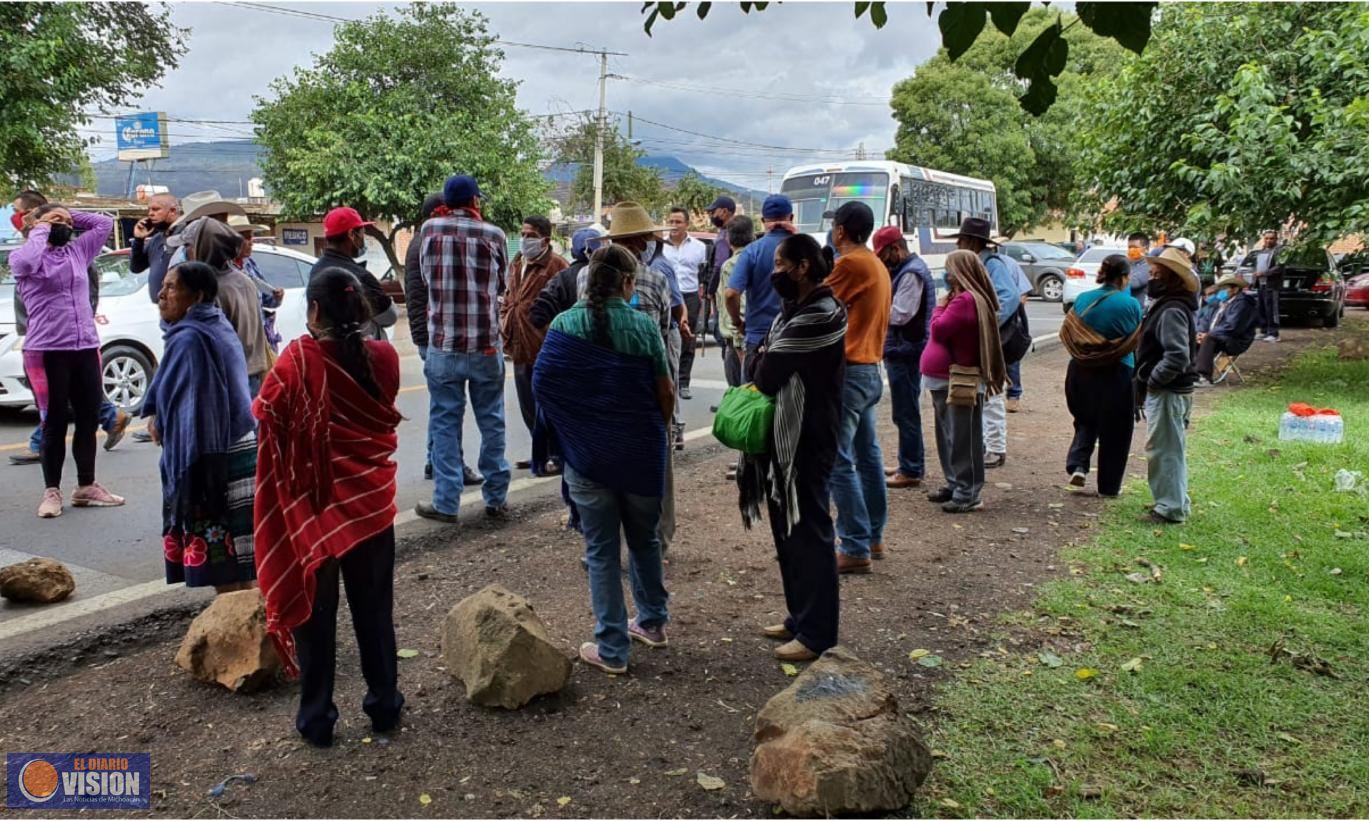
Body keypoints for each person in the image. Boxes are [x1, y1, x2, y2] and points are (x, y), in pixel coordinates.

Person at [254, 267, 406, 748]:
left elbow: (266, 423)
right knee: (375, 612)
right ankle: (385, 705)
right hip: (370, 505)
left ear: (314, 310)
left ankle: (317, 719)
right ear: (360, 308)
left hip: (314, 513)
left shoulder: (294, 364)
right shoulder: (383, 357)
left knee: (315, 622)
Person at [533, 245, 672, 675]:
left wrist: (577, 431)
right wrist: (648, 431)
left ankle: (612, 647)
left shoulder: (563, 324)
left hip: (588, 459)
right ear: (628, 284)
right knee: (645, 540)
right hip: (639, 455)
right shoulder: (644, 326)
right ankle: (651, 622)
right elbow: (664, 393)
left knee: (601, 551)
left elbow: (542, 387)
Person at [742, 233, 847, 662]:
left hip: (807, 436)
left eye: (782, 264)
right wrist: (765, 354)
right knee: (787, 529)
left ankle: (818, 633)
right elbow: (764, 359)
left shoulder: (821, 313)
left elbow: (765, 373)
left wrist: (764, 353)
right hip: (787, 438)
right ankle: (799, 616)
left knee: (809, 531)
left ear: (803, 266)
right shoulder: (797, 309)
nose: (776, 272)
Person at [143, 262, 258, 591]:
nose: (161, 295)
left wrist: (163, 422)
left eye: (172, 288)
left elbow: (195, 410)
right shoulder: (212, 325)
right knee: (240, 564)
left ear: (197, 296)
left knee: (225, 567)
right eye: (162, 287)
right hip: (236, 446)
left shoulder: (192, 338)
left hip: (212, 461)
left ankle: (236, 636)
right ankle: (249, 633)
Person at [10, 204, 124, 517]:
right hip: (46, 351)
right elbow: (29, 258)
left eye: (66, 223)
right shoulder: (23, 258)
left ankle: (86, 486)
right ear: (37, 226)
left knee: (88, 420)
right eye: (54, 222)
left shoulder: (76, 252)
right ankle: (52, 492)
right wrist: (42, 225)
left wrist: (66, 212)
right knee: (54, 421)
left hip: (85, 347)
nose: (63, 226)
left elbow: (102, 223)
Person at [415, 175, 512, 524]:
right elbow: (502, 284)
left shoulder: (429, 230)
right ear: (474, 201)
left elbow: (427, 280)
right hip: (485, 344)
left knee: (444, 423)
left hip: (443, 343)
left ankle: (446, 502)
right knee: (492, 421)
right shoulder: (494, 234)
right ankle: (496, 498)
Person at [595, 202, 681, 551]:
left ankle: (609, 541)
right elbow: (662, 332)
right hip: (647, 387)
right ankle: (657, 539)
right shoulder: (657, 278)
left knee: (608, 468)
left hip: (603, 387)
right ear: (641, 240)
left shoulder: (588, 276)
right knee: (658, 466)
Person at [826, 203, 890, 574]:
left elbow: (815, 302)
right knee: (868, 457)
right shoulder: (876, 263)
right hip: (869, 369)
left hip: (850, 371)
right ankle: (873, 536)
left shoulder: (850, 264)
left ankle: (853, 545)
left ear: (840, 231)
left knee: (838, 460)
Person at [405, 194, 482, 487]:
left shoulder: (423, 241)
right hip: (437, 338)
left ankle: (435, 460)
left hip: (429, 335)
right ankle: (451, 465)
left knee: (442, 406)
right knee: (450, 408)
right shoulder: (428, 242)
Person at [921, 251, 1008, 513]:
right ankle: (956, 483)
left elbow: (938, 328)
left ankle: (967, 491)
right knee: (949, 436)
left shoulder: (964, 301)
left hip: (957, 379)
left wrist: (939, 306)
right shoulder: (964, 299)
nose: (946, 276)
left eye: (949, 270)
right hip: (944, 379)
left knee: (962, 438)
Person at [1058, 255, 1143, 496]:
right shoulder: (1130, 305)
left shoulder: (1083, 299)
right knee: (1116, 430)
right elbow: (1135, 340)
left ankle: (1078, 465)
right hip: (1118, 373)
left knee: (1085, 419)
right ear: (1125, 277)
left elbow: (1069, 331)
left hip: (1080, 370)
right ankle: (1109, 486)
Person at [168, 217, 272, 397]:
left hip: (223, 380)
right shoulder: (244, 281)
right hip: (251, 376)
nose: (185, 252)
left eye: (187, 247)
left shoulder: (208, 290)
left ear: (200, 248)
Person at [1135, 247, 1200, 524]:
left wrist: (1153, 380)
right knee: (1170, 447)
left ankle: (1170, 508)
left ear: (1169, 278)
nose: (1151, 279)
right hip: (1172, 390)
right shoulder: (1171, 305)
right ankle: (1175, 502)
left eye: (1156, 274)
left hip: (1169, 391)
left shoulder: (1172, 309)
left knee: (1165, 449)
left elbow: (1177, 355)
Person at [949, 217, 1020, 469]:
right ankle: (987, 444)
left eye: (961, 239)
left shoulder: (992, 264)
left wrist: (984, 324)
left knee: (991, 392)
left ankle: (996, 447)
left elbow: (1008, 298)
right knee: (982, 392)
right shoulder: (983, 262)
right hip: (984, 337)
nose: (958, 243)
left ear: (971, 241)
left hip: (990, 339)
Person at [503, 214, 569, 473]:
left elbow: (567, 304)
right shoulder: (517, 264)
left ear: (545, 239)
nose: (524, 240)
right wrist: (504, 320)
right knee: (528, 405)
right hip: (519, 346)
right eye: (523, 234)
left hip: (546, 348)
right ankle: (540, 452)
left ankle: (557, 455)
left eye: (530, 235)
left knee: (549, 406)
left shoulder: (557, 266)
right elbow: (509, 298)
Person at [873, 226, 934, 491]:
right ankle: (907, 463)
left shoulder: (911, 273)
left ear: (895, 249)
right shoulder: (907, 269)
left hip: (906, 350)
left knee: (906, 411)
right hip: (903, 348)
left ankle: (910, 468)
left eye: (884, 255)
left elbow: (901, 314)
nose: (882, 261)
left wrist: (872, 308)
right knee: (904, 411)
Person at [725, 195, 793, 379]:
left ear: (763, 221)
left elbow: (731, 294)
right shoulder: (804, 247)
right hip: (795, 339)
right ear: (791, 218)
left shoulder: (752, 251)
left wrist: (738, 323)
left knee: (752, 400)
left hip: (758, 340)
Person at [308, 207, 397, 340]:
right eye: (362, 233)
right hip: (359, 352)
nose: (363, 239)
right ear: (351, 235)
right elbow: (390, 317)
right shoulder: (359, 275)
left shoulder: (315, 270)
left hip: (325, 351)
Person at [662, 207, 709, 399]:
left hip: (689, 296)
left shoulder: (699, 248)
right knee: (664, 337)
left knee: (688, 340)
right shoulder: (661, 246)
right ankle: (667, 381)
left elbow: (703, 276)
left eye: (678, 222)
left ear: (686, 224)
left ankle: (683, 383)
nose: (673, 226)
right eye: (671, 221)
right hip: (666, 296)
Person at [227, 214, 284, 353]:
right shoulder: (225, 269)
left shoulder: (249, 265)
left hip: (259, 339)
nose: (251, 242)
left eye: (251, 237)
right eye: (245, 238)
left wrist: (276, 297)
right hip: (239, 342)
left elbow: (265, 299)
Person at [530, 226, 602, 330]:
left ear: (572, 252)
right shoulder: (613, 276)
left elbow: (537, 315)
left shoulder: (561, 279)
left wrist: (561, 336)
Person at [1195, 274, 1259, 383]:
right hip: (1218, 337)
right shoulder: (1220, 303)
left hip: (1235, 340)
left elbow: (1232, 326)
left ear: (1235, 289)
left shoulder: (1243, 304)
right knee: (1193, 338)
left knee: (1209, 338)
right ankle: (1190, 373)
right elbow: (1205, 321)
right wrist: (1199, 332)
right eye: (1221, 289)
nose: (1222, 292)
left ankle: (1204, 376)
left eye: (1225, 289)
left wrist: (1209, 334)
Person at [716, 215, 754, 391]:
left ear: (729, 238)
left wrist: (739, 340)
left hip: (738, 339)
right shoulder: (758, 257)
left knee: (739, 393)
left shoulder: (732, 264)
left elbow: (737, 300)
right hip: (745, 338)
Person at [130, 192, 181, 304]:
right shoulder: (157, 239)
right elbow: (136, 267)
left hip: (183, 309)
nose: (150, 214)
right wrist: (138, 240)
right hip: (164, 309)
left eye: (156, 209)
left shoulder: (184, 236)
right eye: (149, 210)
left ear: (172, 211)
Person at [1252, 230, 1282, 342]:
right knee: (1261, 308)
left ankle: (1274, 333)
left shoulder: (1279, 251)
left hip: (1272, 284)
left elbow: (1279, 267)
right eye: (1266, 238)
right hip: (1261, 283)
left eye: (1271, 238)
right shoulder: (1262, 251)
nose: (1269, 240)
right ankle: (1264, 331)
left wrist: (1264, 273)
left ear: (1276, 239)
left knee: (1271, 309)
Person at [1126, 232, 1152, 300]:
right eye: (1129, 247)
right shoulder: (1128, 262)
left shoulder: (1150, 265)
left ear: (1146, 249)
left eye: (1135, 247)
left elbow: (1134, 283)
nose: (1131, 250)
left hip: (1139, 308)